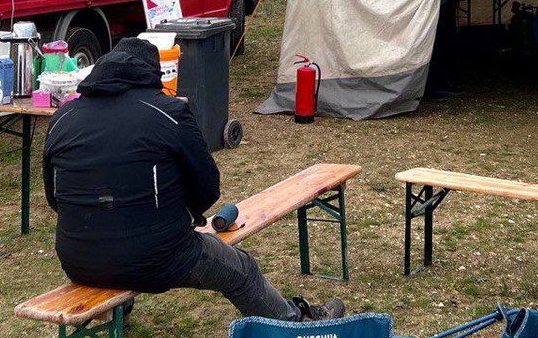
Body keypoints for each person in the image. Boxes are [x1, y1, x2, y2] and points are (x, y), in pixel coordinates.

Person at [43, 38, 344, 322]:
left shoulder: (62, 118)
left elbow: (55, 199)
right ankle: (295, 323)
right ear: (152, 74)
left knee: (120, 226)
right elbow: (207, 187)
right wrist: (185, 214)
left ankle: (121, 312)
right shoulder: (170, 112)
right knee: (241, 269)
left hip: (77, 259)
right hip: (158, 257)